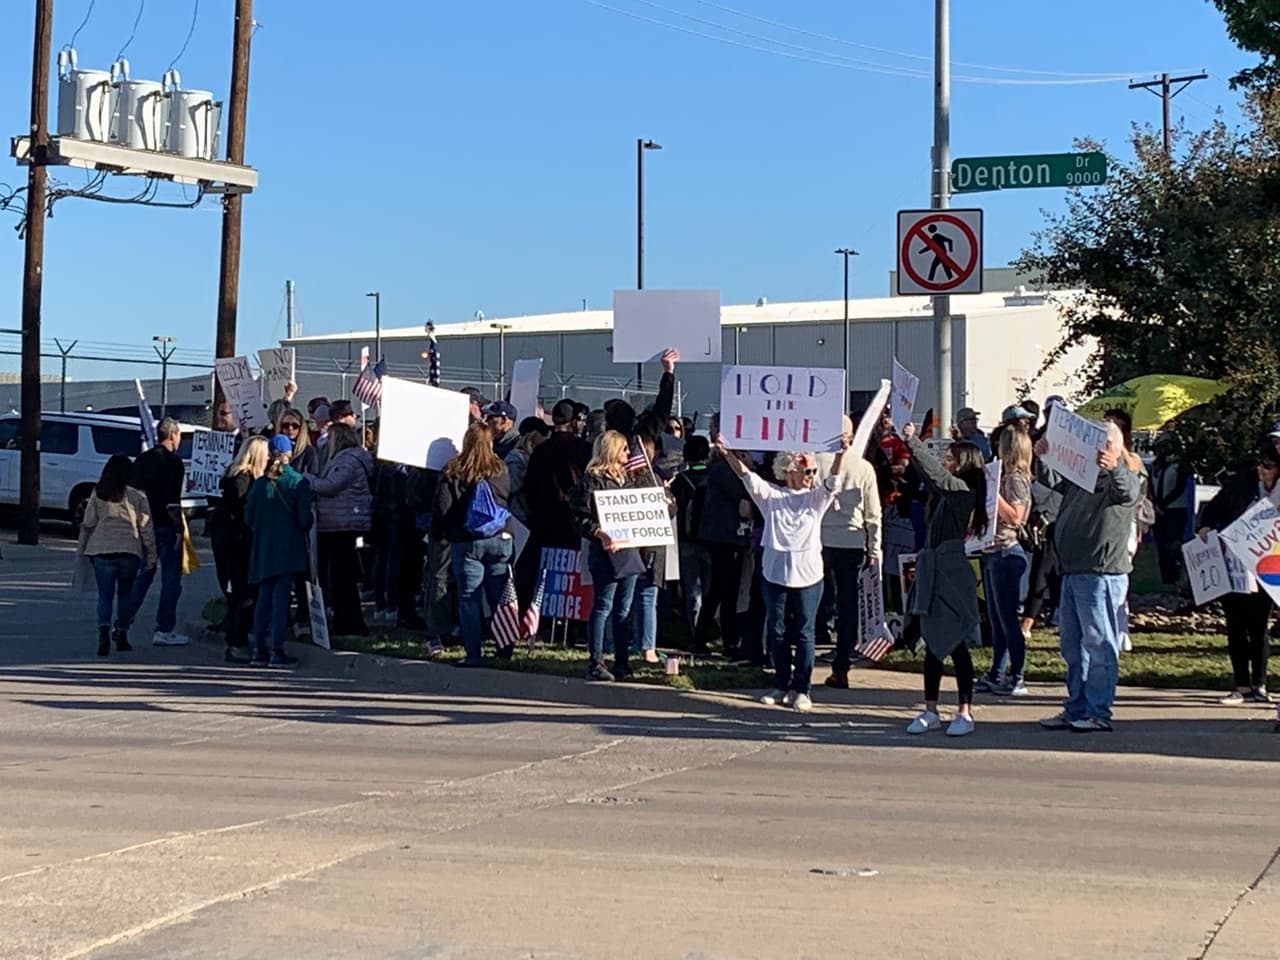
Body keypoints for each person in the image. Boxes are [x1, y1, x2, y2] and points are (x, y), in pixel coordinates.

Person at [714, 438, 848, 712]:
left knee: (804, 632)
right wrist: (727, 452)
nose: (811, 476)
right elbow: (745, 475)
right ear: (788, 471)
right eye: (805, 471)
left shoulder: (816, 498)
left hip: (809, 575)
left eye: (812, 472)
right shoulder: (772, 496)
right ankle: (781, 683)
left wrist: (839, 454)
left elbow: (833, 480)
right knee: (776, 631)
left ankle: (803, 688)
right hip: (775, 574)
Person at [1034, 420, 1141, 732]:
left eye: (1102, 443)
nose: (1094, 450)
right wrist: (1043, 457)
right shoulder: (1083, 473)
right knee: (1073, 644)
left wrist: (1114, 466)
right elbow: (1054, 480)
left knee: (1099, 643)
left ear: (1114, 445)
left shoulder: (1122, 473)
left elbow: (1128, 493)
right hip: (1073, 569)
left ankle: (1098, 711)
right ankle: (1077, 706)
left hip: (1100, 572)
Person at [901, 424, 988, 736]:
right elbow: (928, 476)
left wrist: (913, 441)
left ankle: (964, 711)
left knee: (956, 643)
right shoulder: (944, 496)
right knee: (933, 643)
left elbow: (935, 475)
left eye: (951, 458)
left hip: (950, 574)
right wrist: (912, 448)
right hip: (934, 570)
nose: (945, 462)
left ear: (964, 463)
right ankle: (930, 710)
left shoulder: (964, 493)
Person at [1199, 444, 1278, 704]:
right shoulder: (1241, 484)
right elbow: (1213, 509)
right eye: (1259, 465)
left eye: (1267, 467)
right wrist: (1207, 528)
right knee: (1235, 623)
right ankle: (1241, 685)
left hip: (1266, 566)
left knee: (1258, 626)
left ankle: (1261, 684)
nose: (1261, 471)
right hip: (1233, 564)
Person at [433, 422, 515, 665]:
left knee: (469, 598)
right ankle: (504, 649)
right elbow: (507, 496)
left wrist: (440, 534)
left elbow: (443, 508)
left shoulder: (453, 470)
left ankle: (473, 653)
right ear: (490, 443)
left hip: (467, 541)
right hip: (500, 537)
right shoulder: (500, 468)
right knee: (499, 596)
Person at [571, 430, 643, 682]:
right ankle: (596, 661)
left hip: (629, 552)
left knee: (624, 609)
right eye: (624, 449)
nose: (628, 453)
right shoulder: (592, 480)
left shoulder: (628, 480)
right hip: (604, 552)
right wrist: (599, 533)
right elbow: (579, 517)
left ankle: (622, 662)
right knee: (603, 605)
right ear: (612, 450)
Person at [819, 414, 883, 690]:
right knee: (848, 605)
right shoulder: (864, 467)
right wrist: (874, 547)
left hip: (819, 539)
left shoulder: (813, 460)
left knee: (813, 599)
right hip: (852, 539)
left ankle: (803, 657)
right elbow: (874, 514)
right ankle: (842, 664)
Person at [245, 434, 314, 668]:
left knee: (264, 597)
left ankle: (258, 650)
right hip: (288, 547)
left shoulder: (259, 484)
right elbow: (305, 520)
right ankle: (277, 649)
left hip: (264, 547)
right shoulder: (298, 482)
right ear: (289, 453)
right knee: (281, 598)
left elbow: (249, 517)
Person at [78, 455, 156, 657]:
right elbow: (146, 529)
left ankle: (103, 632)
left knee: (105, 595)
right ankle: (121, 632)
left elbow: (88, 522)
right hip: (129, 550)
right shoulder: (138, 496)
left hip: (101, 550)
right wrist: (151, 556)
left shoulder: (99, 493)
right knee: (125, 594)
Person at [975, 428, 1033, 696]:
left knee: (1009, 619)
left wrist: (992, 493)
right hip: (990, 550)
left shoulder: (1016, 480)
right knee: (997, 619)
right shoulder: (1000, 475)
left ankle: (1017, 675)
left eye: (1002, 444)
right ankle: (997, 671)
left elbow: (1016, 517)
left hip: (1007, 552)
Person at [693, 416, 752, 658]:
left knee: (719, 589)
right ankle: (728, 641)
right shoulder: (722, 468)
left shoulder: (721, 467)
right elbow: (743, 496)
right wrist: (747, 467)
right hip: (724, 536)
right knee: (725, 589)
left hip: (726, 535)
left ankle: (704, 637)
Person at [308, 423, 374, 637]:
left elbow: (331, 485)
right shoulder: (349, 458)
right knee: (338, 577)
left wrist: (308, 479)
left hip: (342, 523)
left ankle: (351, 623)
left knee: (343, 577)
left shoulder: (348, 460)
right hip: (340, 520)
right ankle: (344, 621)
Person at [127, 417, 189, 647]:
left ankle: (123, 620)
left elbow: (132, 493)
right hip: (165, 525)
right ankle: (165, 628)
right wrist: (178, 528)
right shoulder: (174, 462)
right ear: (173, 435)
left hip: (144, 524)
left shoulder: (143, 459)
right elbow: (172, 500)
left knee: (143, 574)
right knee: (171, 579)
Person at [217, 437, 269, 662]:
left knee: (240, 593)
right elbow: (242, 513)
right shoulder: (244, 480)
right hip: (240, 544)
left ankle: (236, 638)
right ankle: (237, 642)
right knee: (246, 594)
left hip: (231, 542)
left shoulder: (232, 475)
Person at [672, 435, 712, 629]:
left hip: (686, 539)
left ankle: (694, 628)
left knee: (691, 589)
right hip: (711, 540)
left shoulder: (679, 481)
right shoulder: (714, 478)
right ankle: (708, 627)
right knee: (709, 588)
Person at [1151, 435, 1192, 586]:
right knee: (1161, 546)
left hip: (1175, 510)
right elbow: (1152, 486)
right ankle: (1165, 580)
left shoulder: (1180, 465)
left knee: (1173, 545)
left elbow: (1179, 488)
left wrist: (1163, 503)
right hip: (1159, 511)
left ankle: (1176, 579)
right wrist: (1156, 504)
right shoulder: (1157, 466)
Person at [505, 416, 552, 526]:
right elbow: (511, 485)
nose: (546, 438)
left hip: (535, 512)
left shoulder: (540, 455)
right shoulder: (516, 457)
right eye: (543, 434)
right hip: (521, 515)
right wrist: (530, 472)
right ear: (534, 435)